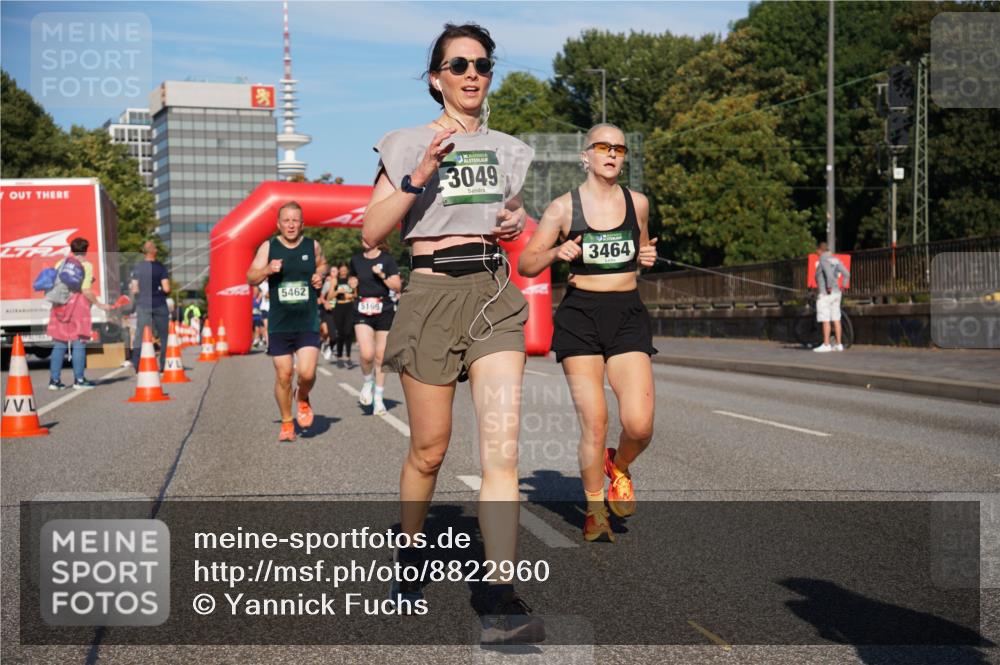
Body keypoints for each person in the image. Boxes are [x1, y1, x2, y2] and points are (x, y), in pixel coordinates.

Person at [363, 23, 541, 644]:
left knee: (501, 450)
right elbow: (370, 233)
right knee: (429, 450)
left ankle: (498, 593)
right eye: (458, 64)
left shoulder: (511, 150)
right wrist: (418, 173)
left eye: (482, 65)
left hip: (493, 293)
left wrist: (520, 223)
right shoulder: (406, 141)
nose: (472, 74)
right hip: (431, 292)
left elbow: (517, 222)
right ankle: (410, 552)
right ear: (436, 77)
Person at [519, 124, 658, 543]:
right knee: (594, 422)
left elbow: (643, 250)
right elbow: (526, 263)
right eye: (603, 146)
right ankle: (595, 510)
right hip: (580, 316)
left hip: (627, 313)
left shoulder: (639, 204)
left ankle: (620, 466)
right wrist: (554, 251)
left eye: (619, 148)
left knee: (640, 424)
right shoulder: (563, 209)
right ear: (586, 156)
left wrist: (647, 255)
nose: (612, 153)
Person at [247, 201, 328, 442]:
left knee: (307, 373)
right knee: (283, 375)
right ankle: (286, 422)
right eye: (286, 220)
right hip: (280, 323)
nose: (291, 224)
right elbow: (251, 276)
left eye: (295, 220)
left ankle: (302, 397)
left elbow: (323, 264)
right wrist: (267, 271)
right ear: (278, 224)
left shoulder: (312, 245)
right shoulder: (268, 247)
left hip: (307, 320)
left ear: (302, 224)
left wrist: (319, 275)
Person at [46, 237, 111, 389]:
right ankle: (79, 380)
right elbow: (85, 290)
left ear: (71, 248)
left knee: (59, 343)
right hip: (77, 306)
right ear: (86, 249)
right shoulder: (86, 265)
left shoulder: (60, 263)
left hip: (59, 305)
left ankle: (54, 381)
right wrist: (99, 304)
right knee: (79, 342)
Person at [349, 241, 401, 415]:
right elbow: (351, 278)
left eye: (367, 237)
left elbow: (397, 286)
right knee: (366, 353)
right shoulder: (356, 260)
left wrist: (382, 275)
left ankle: (378, 399)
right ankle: (367, 382)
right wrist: (352, 282)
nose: (363, 240)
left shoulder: (387, 260)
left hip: (384, 308)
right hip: (363, 308)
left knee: (380, 355)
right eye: (361, 237)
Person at [130, 241, 171, 372]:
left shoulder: (137, 268)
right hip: (159, 303)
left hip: (143, 304)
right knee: (164, 336)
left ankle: (137, 365)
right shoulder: (161, 267)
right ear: (154, 251)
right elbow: (166, 288)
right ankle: (164, 365)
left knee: (140, 334)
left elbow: (134, 289)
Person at [813, 240, 850, 352]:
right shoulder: (835, 259)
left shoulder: (823, 259)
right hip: (837, 293)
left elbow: (828, 274)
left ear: (820, 250)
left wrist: (828, 287)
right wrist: (842, 286)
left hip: (826, 293)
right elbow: (846, 274)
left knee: (825, 319)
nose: (816, 253)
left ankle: (826, 344)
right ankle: (839, 344)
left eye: (817, 251)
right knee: (836, 318)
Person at [331, 263, 356, 367]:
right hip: (339, 308)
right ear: (339, 270)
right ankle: (340, 357)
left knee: (348, 332)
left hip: (349, 307)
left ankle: (348, 357)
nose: (343, 271)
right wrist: (337, 291)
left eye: (345, 269)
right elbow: (330, 296)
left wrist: (350, 295)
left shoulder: (351, 280)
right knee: (340, 333)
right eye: (342, 269)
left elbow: (356, 294)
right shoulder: (335, 280)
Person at [317, 271, 338, 361]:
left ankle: (328, 347)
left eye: (336, 271)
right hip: (326, 310)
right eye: (332, 271)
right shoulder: (327, 283)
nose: (334, 273)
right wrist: (325, 302)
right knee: (325, 331)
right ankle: (323, 342)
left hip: (338, 310)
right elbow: (321, 296)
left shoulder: (341, 283)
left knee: (333, 334)